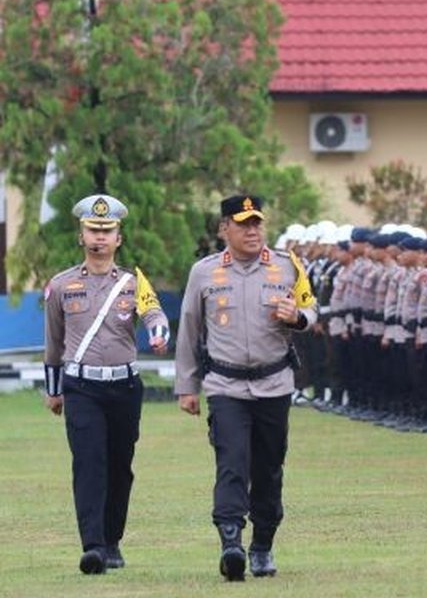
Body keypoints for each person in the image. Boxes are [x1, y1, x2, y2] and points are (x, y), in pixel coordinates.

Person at [173, 195, 317, 581]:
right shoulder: (203, 273)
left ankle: (263, 545)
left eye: (257, 223)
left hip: (274, 384)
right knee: (231, 463)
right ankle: (231, 542)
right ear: (224, 229)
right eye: (243, 224)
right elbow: (189, 330)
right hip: (225, 385)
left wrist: (298, 317)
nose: (252, 231)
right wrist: (187, 385)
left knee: (269, 469)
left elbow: (312, 308)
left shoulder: (288, 266)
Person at [43, 194, 169, 574]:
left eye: (107, 231)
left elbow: (154, 313)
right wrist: (54, 389)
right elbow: (53, 342)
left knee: (120, 465)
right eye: (92, 230)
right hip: (82, 388)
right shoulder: (62, 285)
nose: (99, 237)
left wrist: (160, 333)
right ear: (81, 235)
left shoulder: (133, 283)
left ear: (119, 237)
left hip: (124, 387)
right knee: (89, 463)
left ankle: (112, 539)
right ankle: (93, 546)